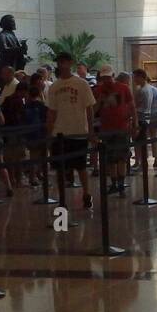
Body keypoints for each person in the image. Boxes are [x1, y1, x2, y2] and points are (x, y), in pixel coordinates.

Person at [46, 52, 95, 209]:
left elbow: (89, 108)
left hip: (78, 131)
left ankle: (86, 193)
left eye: (65, 62)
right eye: (60, 62)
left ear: (70, 63)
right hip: (60, 133)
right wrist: (50, 132)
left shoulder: (81, 84)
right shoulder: (54, 86)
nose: (62, 65)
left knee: (80, 166)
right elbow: (51, 111)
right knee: (60, 168)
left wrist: (91, 130)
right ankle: (62, 199)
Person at [94, 70, 136, 195]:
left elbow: (132, 105)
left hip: (122, 127)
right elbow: (94, 109)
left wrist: (135, 123)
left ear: (113, 76)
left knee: (122, 157)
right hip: (106, 128)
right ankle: (113, 183)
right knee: (110, 158)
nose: (106, 80)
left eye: (108, 77)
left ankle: (121, 184)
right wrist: (100, 101)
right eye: (104, 78)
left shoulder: (123, 88)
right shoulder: (99, 90)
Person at [132, 68, 157, 171]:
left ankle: (139, 161)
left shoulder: (141, 90)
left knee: (141, 139)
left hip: (143, 117)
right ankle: (156, 159)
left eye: (135, 77)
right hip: (155, 116)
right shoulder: (155, 90)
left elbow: (136, 105)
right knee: (154, 138)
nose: (134, 80)